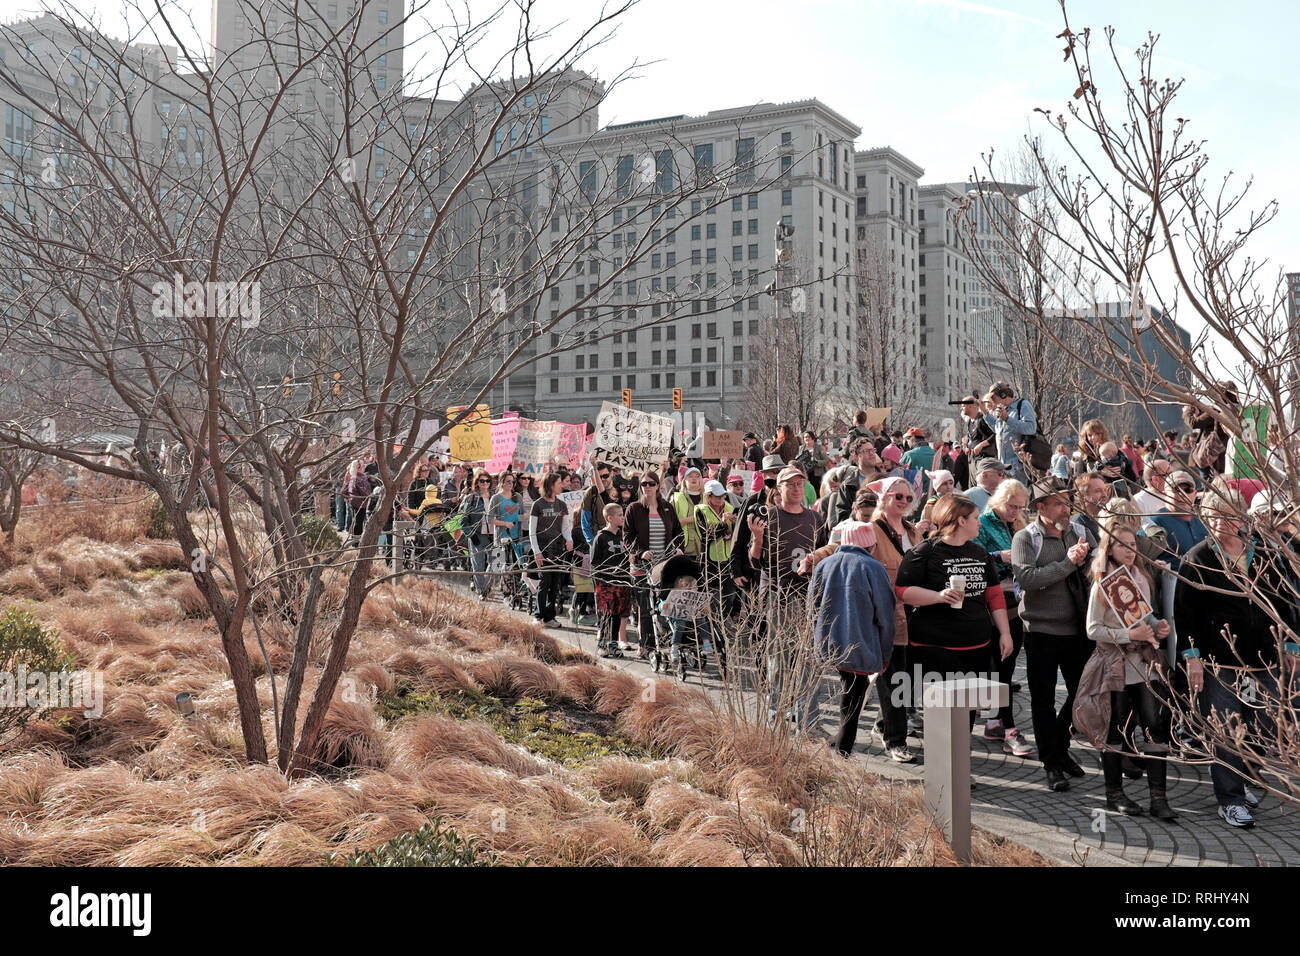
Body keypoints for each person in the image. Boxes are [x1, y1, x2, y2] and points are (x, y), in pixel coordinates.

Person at [1175, 486, 1300, 829]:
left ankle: (1245, 778)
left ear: (1241, 519)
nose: (1221, 522)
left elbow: (1283, 602)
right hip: (1222, 662)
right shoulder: (1198, 559)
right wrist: (1192, 657)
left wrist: (1291, 643)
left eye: (1228, 515)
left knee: (1263, 725)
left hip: (1264, 658)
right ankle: (1229, 798)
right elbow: (1185, 616)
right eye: (1214, 516)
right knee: (1227, 729)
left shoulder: (1265, 554)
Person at [1076, 521, 1177, 819]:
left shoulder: (1142, 577)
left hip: (1144, 662)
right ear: (1109, 549)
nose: (1129, 551)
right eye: (1122, 545)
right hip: (1116, 664)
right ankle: (1114, 794)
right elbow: (1093, 629)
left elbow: (1145, 617)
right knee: (1116, 728)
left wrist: (1158, 627)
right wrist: (1128, 636)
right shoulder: (1102, 582)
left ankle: (1159, 798)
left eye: (1133, 545)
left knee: (1154, 727)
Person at [895, 494, 1013, 741]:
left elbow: (994, 596)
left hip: (977, 644)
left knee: (966, 710)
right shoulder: (926, 551)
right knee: (941, 709)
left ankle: (960, 765)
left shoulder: (980, 553)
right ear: (960, 521)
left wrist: (1005, 633)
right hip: (935, 646)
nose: (979, 523)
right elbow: (903, 592)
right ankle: (943, 772)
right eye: (975, 518)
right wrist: (938, 596)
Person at [1011, 476, 1096, 793]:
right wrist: (1068, 563)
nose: (1065, 507)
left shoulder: (1079, 531)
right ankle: (1051, 763)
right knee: (1043, 701)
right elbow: (1028, 578)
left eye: (1067, 501)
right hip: (1041, 631)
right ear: (1040, 507)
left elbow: (1094, 570)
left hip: (1077, 631)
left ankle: (1059, 748)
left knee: (1080, 697)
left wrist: (1088, 562)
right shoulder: (1025, 537)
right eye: (1059, 502)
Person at [808, 519, 896, 757]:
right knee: (852, 700)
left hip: (829, 645)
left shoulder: (824, 565)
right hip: (860, 646)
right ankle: (843, 754)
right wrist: (885, 654)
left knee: (850, 694)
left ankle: (842, 749)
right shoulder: (873, 568)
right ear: (870, 545)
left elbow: (811, 608)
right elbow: (886, 616)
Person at [748, 465, 823, 733]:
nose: (795, 488)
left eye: (799, 484)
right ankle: (775, 712)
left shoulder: (815, 518)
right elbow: (755, 561)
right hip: (779, 594)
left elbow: (824, 552)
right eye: (789, 484)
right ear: (778, 489)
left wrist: (816, 561)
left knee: (807, 657)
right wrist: (757, 538)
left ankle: (807, 717)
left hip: (807, 595)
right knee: (779, 655)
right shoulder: (771, 516)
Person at [974, 479, 1034, 756]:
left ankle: (995, 721)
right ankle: (1006, 726)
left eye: (1020, 507)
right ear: (999, 500)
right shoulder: (983, 522)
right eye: (1012, 506)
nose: (1015, 511)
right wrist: (1001, 555)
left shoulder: (1018, 524)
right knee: (999, 665)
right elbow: (972, 554)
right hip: (992, 601)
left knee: (1006, 666)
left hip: (1017, 601)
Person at [623, 471, 684, 658]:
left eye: (651, 483)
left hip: (664, 565)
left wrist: (678, 549)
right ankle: (646, 646)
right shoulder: (634, 508)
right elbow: (627, 537)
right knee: (646, 607)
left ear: (658, 486)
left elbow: (678, 533)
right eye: (644, 484)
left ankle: (667, 640)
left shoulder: (667, 507)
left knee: (665, 604)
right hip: (642, 566)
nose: (647, 487)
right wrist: (640, 552)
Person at [695, 479, 738, 669]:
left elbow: (738, 533)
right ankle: (711, 638)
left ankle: (720, 630)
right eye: (718, 496)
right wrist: (723, 524)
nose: (722, 500)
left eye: (723, 496)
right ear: (708, 497)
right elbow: (706, 535)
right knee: (710, 602)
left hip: (727, 560)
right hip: (709, 562)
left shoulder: (730, 506)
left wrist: (735, 524)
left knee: (728, 599)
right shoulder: (700, 510)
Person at [528, 473, 573, 627]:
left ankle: (549, 617)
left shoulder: (562, 505)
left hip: (557, 550)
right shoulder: (538, 504)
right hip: (543, 549)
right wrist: (536, 551)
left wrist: (569, 539)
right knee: (544, 582)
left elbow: (565, 527)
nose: (562, 485)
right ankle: (538, 615)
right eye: (560, 482)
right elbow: (532, 530)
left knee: (555, 584)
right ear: (550, 484)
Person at [591, 502, 632, 658]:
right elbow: (595, 563)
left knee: (617, 614)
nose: (623, 518)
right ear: (610, 518)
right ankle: (602, 644)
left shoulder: (624, 535)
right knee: (606, 614)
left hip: (622, 581)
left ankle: (613, 644)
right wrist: (602, 579)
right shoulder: (600, 537)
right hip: (606, 583)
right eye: (620, 515)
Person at [1149, 470, 1207, 572]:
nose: (1182, 494)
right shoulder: (1155, 522)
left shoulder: (1204, 520)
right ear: (1165, 493)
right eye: (1176, 490)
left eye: (1188, 490)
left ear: (1195, 494)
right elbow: (1143, 558)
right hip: (1173, 582)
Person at [983, 382, 1038, 482]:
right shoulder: (1002, 410)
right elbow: (998, 429)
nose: (993, 402)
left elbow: (1031, 428)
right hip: (1004, 466)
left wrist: (1008, 419)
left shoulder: (1023, 405)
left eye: (994, 398)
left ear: (1003, 395)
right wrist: (985, 413)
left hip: (1019, 467)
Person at [459, 468, 496, 599]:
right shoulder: (471, 499)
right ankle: (482, 591)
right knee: (478, 565)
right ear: (477, 482)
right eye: (482, 481)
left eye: (487, 481)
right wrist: (471, 535)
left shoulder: (495, 498)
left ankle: (485, 586)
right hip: (477, 535)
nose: (485, 483)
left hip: (492, 535)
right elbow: (463, 521)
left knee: (495, 563)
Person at [671, 467, 707, 557]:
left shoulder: (707, 498)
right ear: (684, 480)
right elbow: (669, 523)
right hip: (683, 546)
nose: (694, 478)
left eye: (697, 476)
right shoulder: (676, 498)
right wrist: (688, 520)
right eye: (690, 476)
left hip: (704, 546)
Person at [1074, 471, 1111, 542]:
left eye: (1105, 490)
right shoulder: (1078, 526)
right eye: (1098, 491)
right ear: (1082, 496)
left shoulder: (1110, 518)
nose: (1104, 495)